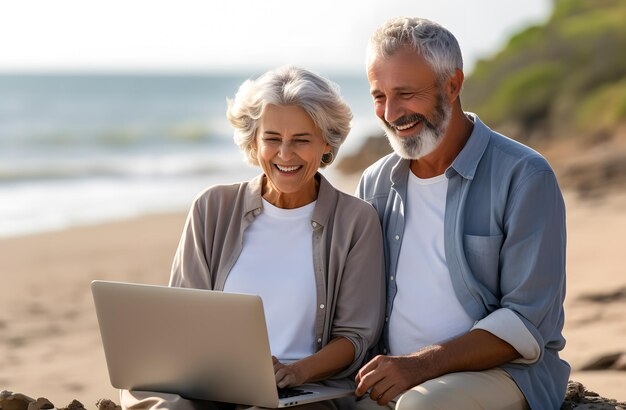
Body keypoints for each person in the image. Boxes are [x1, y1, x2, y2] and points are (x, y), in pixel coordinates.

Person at [121, 66, 385, 410]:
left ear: (326, 143)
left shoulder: (356, 221)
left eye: (301, 140)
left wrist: (296, 372)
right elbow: (183, 315)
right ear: (253, 141)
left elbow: (355, 337)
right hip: (211, 383)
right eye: (272, 139)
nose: (285, 154)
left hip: (304, 390)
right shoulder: (212, 207)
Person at [353, 17, 569, 409]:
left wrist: (419, 366)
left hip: (506, 373)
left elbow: (527, 320)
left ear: (452, 85)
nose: (390, 112)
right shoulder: (374, 183)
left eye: (405, 93)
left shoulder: (524, 176)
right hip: (395, 371)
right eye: (378, 95)